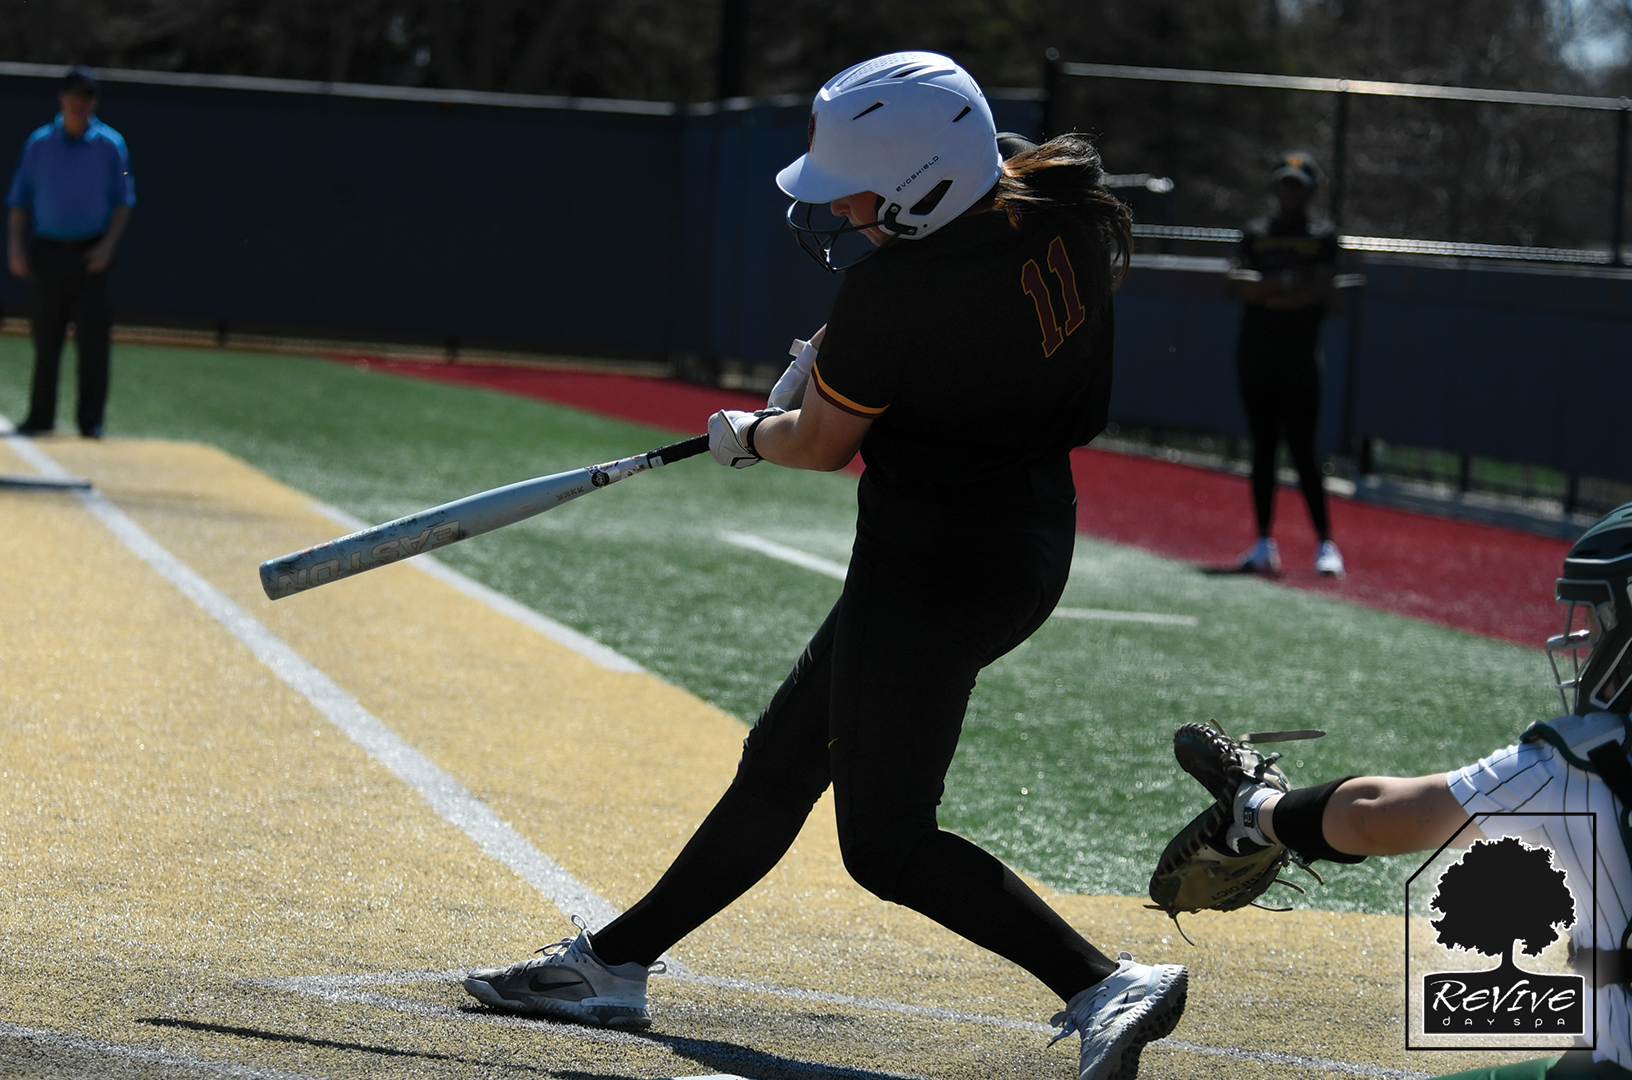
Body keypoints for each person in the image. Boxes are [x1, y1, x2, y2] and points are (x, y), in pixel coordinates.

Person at [462, 52, 1187, 1080]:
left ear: (929, 178)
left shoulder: (900, 287)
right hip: (1022, 540)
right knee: (786, 760)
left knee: (885, 844)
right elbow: (943, 341)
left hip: (933, 565)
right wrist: (837, 365)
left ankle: (1102, 980)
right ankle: (613, 964)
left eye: (859, 185)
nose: (839, 204)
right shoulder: (1048, 211)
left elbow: (819, 444)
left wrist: (752, 432)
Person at [1175, 503, 1632, 1079]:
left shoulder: (1581, 759)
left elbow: (1377, 817)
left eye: (1605, 621)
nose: (1587, 641)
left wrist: (1259, 810)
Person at [1226, 151, 1343, 577]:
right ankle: (1262, 542)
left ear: (1310, 189)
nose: (1290, 191)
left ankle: (1326, 544)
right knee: (1262, 449)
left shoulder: (1323, 234)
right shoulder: (1256, 232)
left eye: (1298, 183)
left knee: (1304, 451)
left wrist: (1268, 292)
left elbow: (1319, 292)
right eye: (1285, 182)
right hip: (1256, 354)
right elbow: (1236, 284)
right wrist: (1284, 285)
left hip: (1300, 356)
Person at [5, 64, 134, 439]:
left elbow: (125, 200)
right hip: (48, 251)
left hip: (92, 253)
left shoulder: (112, 145)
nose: (80, 102)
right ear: (62, 98)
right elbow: (19, 199)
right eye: (74, 94)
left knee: (94, 343)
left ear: (95, 101)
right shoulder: (39, 143)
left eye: (88, 96)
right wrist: (15, 245)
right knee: (46, 339)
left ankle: (90, 421)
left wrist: (108, 247)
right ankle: (40, 416)